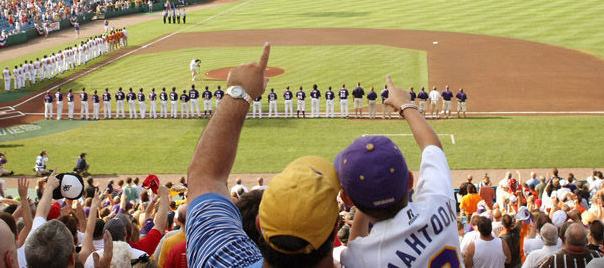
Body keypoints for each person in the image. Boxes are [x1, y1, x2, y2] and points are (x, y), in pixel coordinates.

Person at [185, 43, 343, 268]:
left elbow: (204, 177)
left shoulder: (219, 258)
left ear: (260, 226)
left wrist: (239, 92)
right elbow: (205, 178)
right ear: (335, 229)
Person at [336, 75, 462, 267]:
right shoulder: (439, 202)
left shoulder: (362, 257)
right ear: (410, 182)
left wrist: (364, 200)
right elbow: (432, 146)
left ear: (348, 200)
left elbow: (354, 247)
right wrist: (405, 104)